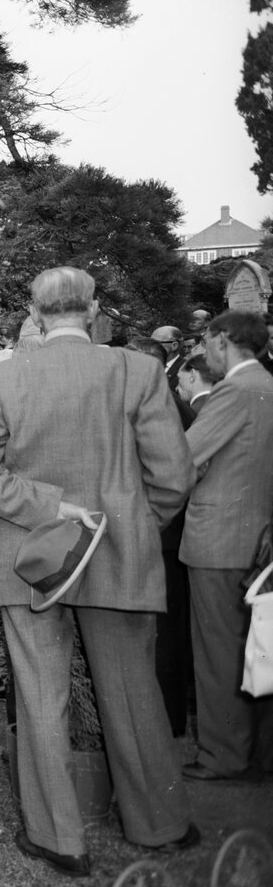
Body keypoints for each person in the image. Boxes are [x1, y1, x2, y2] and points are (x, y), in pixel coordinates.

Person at [0, 266, 196, 876]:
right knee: (134, 691)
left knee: (40, 695)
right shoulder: (137, 371)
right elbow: (172, 479)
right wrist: (131, 527)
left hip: (30, 559)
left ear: (35, 315)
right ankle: (158, 824)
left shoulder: (3, 376)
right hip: (119, 552)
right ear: (93, 313)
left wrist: (47, 508)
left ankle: (57, 837)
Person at [179, 309, 273, 782]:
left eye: (207, 340)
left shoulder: (234, 391)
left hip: (219, 540)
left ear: (224, 340)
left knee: (219, 655)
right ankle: (253, 753)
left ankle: (222, 756)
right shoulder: (268, 385)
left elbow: (183, 459)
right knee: (257, 655)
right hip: (258, 539)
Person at [175, 352, 219, 418]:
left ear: (192, 375)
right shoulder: (222, 404)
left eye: (179, 378)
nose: (176, 388)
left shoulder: (191, 414)